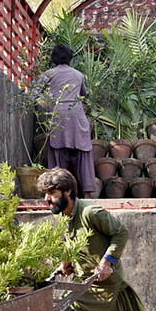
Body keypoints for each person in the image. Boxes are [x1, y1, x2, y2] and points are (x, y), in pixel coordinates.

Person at [32, 167, 147, 311]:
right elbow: (74, 244)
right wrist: (67, 263)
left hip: (109, 287)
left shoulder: (91, 212)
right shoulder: (64, 217)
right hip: (83, 286)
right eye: (45, 193)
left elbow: (120, 233)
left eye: (52, 193)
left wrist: (106, 262)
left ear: (68, 191)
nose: (47, 199)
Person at [37, 44, 96, 199]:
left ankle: (56, 191)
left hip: (58, 115)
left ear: (53, 59)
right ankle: (88, 194)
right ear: (70, 58)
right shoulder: (78, 75)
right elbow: (84, 94)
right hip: (77, 115)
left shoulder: (48, 74)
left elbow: (35, 93)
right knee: (84, 152)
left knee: (57, 152)